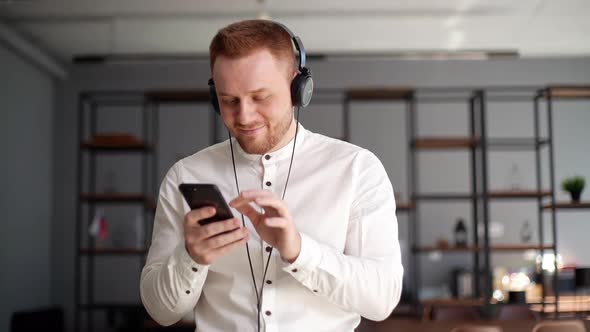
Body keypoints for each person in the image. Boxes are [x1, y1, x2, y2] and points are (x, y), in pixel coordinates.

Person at [140, 19, 403, 332]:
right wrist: (190, 258)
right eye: (229, 101)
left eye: (260, 97)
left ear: (297, 88)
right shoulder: (186, 175)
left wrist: (299, 250)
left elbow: (381, 299)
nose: (244, 116)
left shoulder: (357, 169)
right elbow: (161, 312)